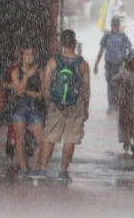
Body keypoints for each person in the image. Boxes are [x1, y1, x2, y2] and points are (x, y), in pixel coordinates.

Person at [32, 29, 90, 180]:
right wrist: (86, 108)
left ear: (62, 43)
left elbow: (45, 86)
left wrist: (48, 101)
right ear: (75, 43)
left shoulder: (53, 62)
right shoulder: (83, 64)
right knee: (70, 139)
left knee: (50, 137)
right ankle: (63, 171)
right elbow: (86, 90)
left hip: (56, 105)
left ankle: (43, 169)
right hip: (75, 105)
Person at [9, 45, 45, 175]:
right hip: (20, 108)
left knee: (41, 139)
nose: (30, 57)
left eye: (32, 54)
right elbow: (18, 91)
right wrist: (26, 77)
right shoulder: (15, 72)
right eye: (27, 54)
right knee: (20, 139)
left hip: (34, 108)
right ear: (22, 56)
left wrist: (27, 92)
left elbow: (41, 93)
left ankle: (35, 167)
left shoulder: (39, 72)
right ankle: (23, 167)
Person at [95, 16, 132, 114]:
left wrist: (129, 62)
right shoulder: (107, 36)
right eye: (113, 25)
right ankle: (111, 105)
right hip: (109, 64)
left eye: (116, 25)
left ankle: (118, 104)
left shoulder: (123, 36)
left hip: (120, 64)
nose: (115, 27)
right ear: (111, 26)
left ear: (119, 26)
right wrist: (96, 64)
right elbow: (101, 50)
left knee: (119, 84)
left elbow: (130, 49)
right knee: (110, 84)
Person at [114, 52, 134, 156]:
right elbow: (114, 79)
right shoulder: (124, 71)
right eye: (132, 61)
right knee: (126, 123)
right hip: (125, 102)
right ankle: (128, 142)